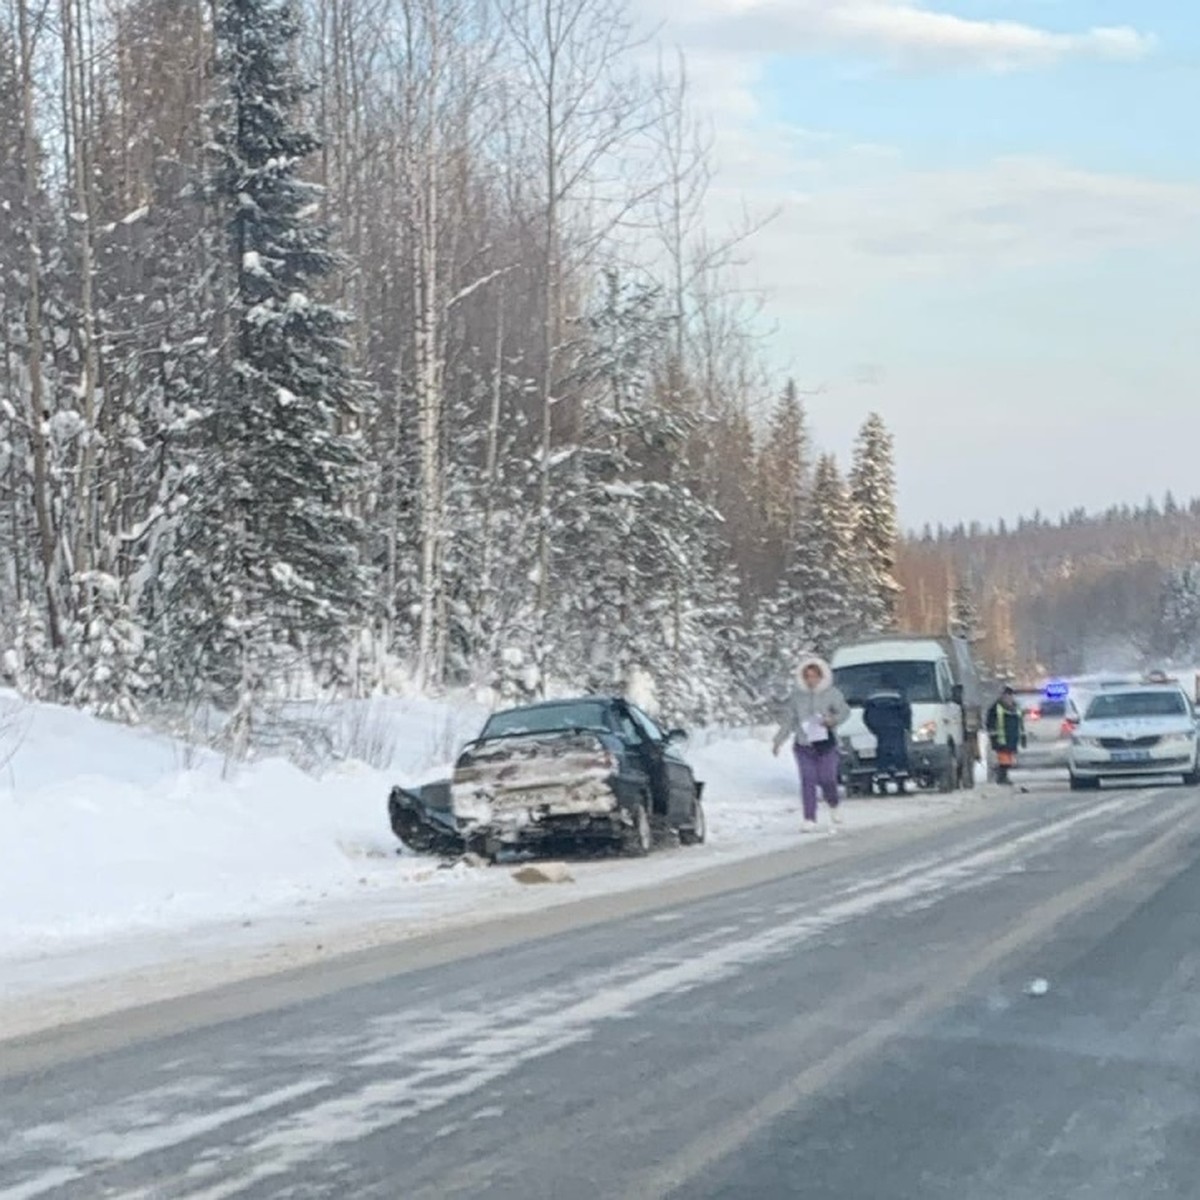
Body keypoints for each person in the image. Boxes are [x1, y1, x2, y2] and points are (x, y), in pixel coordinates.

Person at [772, 655, 852, 830]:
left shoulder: (832, 693)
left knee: (827, 779)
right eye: (807, 676)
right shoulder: (796, 697)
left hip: (826, 745)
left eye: (814, 676)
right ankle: (809, 817)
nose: (811, 680)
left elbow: (845, 712)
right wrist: (778, 741)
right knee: (808, 780)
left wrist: (832, 720)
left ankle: (833, 803)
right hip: (804, 745)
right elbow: (789, 721)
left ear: (822, 677)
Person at [863, 673, 912, 794]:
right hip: (896, 728)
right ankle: (901, 785)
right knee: (899, 754)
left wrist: (873, 728)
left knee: (882, 754)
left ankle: (882, 784)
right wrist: (907, 726)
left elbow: (866, 715)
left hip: (880, 729)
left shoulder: (873, 695)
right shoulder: (899, 693)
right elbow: (906, 711)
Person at [986, 686, 1026, 784]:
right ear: (1003, 696)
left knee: (1008, 760)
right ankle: (1001, 777)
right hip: (1000, 739)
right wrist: (993, 735)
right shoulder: (996, 707)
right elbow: (990, 722)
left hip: (1012, 738)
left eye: (1011, 696)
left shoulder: (1016, 708)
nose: (1009, 698)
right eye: (1007, 696)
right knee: (1003, 760)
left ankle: (1003, 776)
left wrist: (1023, 736)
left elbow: (1020, 723)